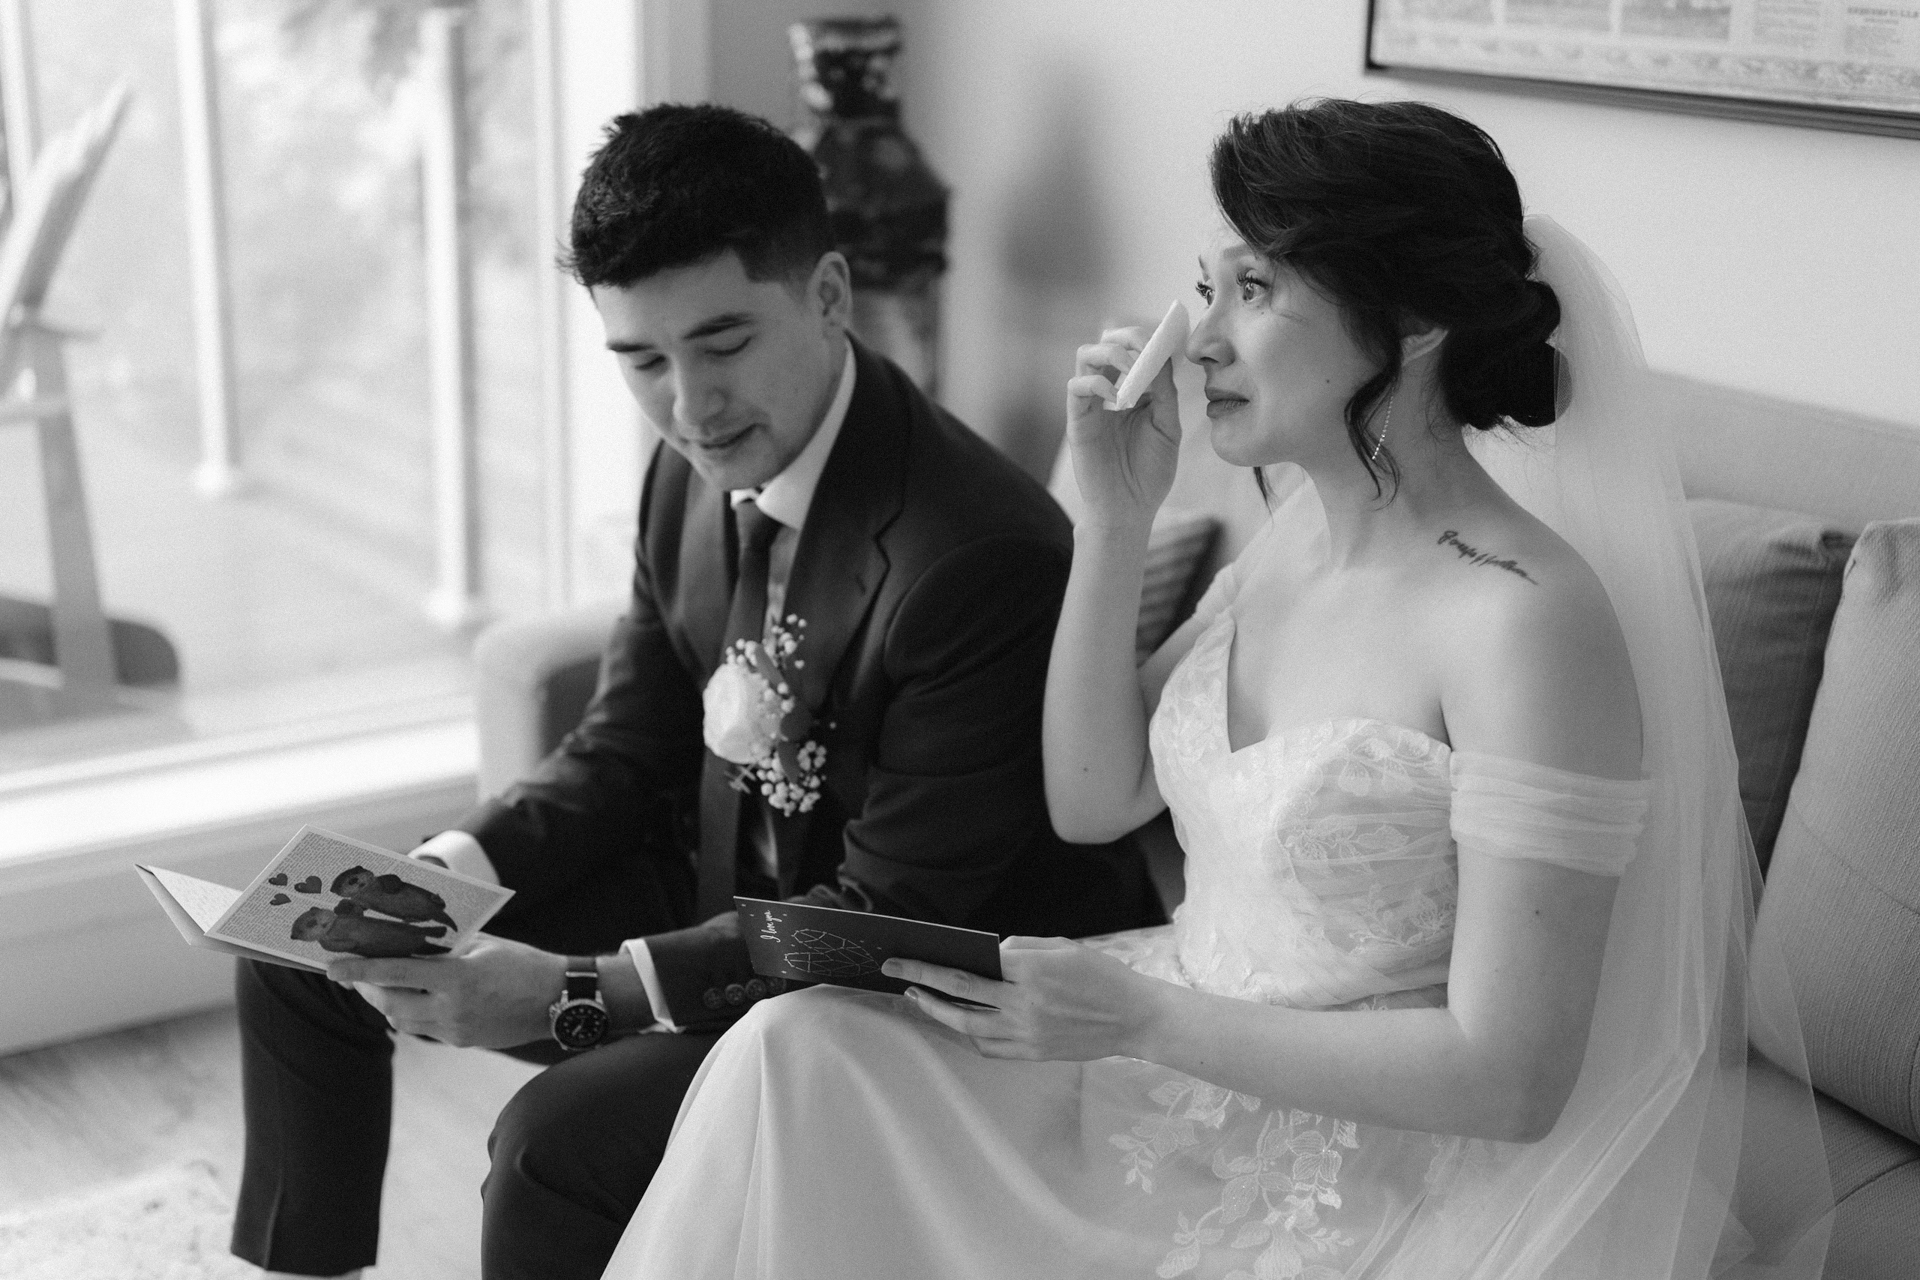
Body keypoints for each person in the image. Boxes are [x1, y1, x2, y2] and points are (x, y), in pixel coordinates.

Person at [604, 99, 1832, 1278]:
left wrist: (1135, 1019)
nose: (1195, 340)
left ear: (1408, 321)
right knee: (795, 1047)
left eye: (1253, 290)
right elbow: (1094, 797)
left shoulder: (1527, 621)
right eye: (1207, 287)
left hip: (1371, 1157)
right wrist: (1115, 521)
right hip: (1168, 1045)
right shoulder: (1294, 530)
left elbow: (1511, 1075)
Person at [227, 103, 1155, 1280]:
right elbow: (622, 746)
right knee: (303, 953)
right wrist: (443, 874)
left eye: (722, 344)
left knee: (551, 1142)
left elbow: (885, 907)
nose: (688, 405)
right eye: (642, 360)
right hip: (716, 888)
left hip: (890, 996)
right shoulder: (689, 470)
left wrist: (571, 989)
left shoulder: (980, 556)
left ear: (826, 295)